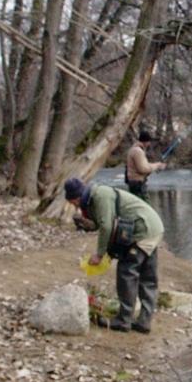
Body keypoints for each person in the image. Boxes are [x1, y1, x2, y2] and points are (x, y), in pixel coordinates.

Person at [64, 177, 164, 334]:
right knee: (148, 278)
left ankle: (123, 320)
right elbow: (101, 222)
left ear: (76, 197)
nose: (74, 206)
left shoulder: (100, 196)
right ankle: (144, 321)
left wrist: (99, 254)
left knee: (126, 273)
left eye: (72, 203)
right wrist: (86, 224)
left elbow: (106, 226)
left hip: (142, 230)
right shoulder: (95, 196)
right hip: (154, 227)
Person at [125, 130, 166, 201]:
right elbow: (143, 169)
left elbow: (144, 166)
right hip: (137, 184)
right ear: (145, 142)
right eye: (149, 141)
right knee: (145, 207)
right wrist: (157, 165)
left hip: (135, 184)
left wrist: (157, 165)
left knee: (138, 207)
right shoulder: (138, 151)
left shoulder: (135, 150)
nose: (149, 143)